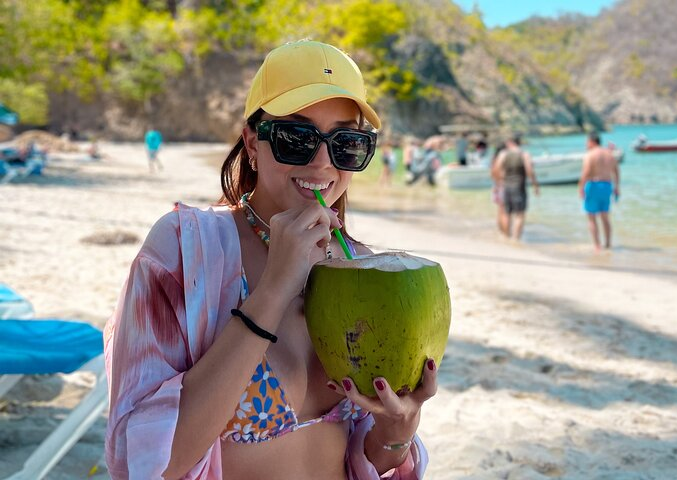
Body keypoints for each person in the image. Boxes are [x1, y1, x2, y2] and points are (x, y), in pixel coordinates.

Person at [104, 40, 435, 480]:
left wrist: (397, 430)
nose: (322, 162)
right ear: (252, 143)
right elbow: (145, 466)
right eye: (296, 138)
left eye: (347, 142)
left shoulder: (363, 269)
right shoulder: (184, 248)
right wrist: (275, 287)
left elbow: (369, 459)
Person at [491, 135, 539, 241]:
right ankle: (516, 238)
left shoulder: (503, 154)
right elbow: (529, 170)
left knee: (507, 213)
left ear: (510, 142)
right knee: (519, 214)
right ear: (519, 142)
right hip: (519, 187)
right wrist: (535, 185)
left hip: (505, 186)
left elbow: (496, 169)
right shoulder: (524, 154)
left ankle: (506, 236)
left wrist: (498, 183)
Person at [579, 131, 620, 251]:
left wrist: (580, 187)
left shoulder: (590, 155)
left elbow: (586, 172)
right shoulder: (609, 154)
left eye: (587, 142)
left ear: (591, 141)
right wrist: (617, 187)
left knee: (592, 218)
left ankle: (597, 246)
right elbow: (616, 171)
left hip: (593, 185)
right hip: (607, 185)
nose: (586, 144)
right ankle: (608, 244)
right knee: (605, 217)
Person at [489, 142, 508, 236]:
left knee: (500, 211)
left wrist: (496, 185)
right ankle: (506, 235)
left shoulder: (493, 159)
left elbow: (491, 174)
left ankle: (501, 232)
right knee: (504, 211)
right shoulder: (503, 159)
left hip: (495, 187)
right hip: (502, 186)